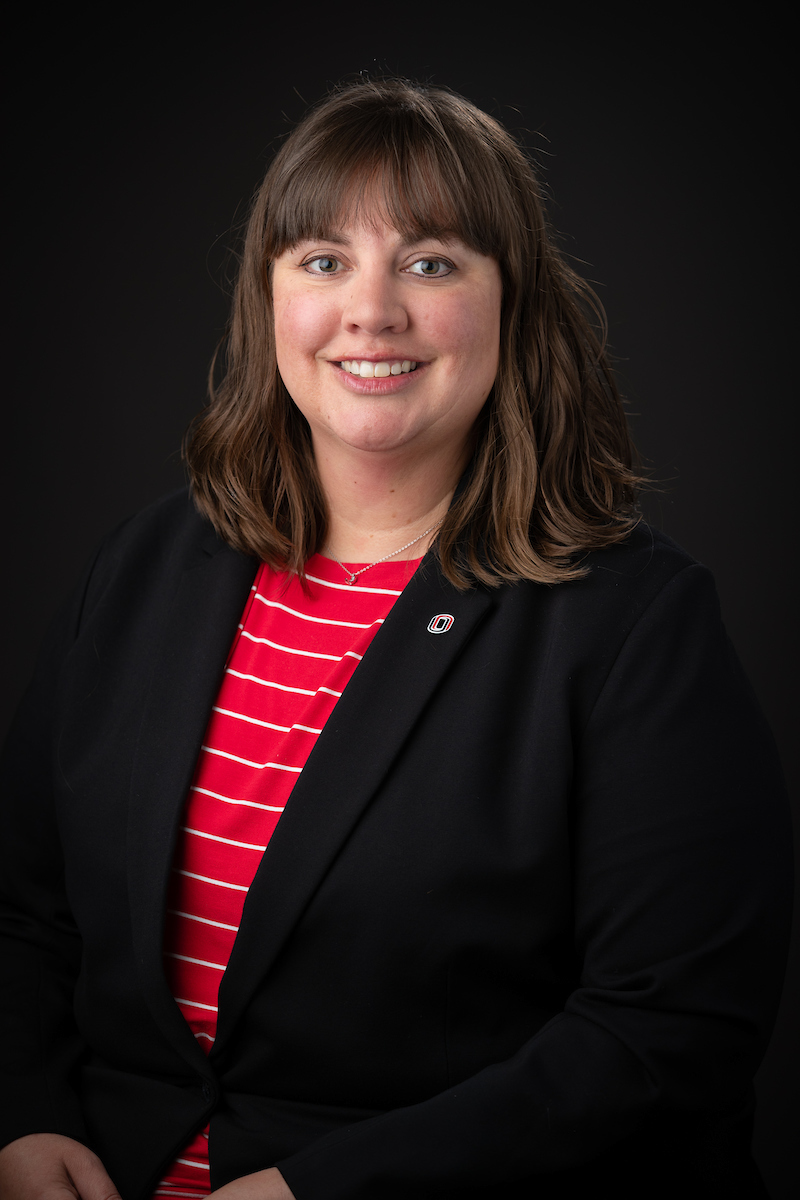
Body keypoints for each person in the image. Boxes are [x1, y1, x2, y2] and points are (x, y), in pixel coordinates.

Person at [0, 77, 791, 1200]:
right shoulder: (142, 571)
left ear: (511, 302)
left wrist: (316, 1193)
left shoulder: (631, 623)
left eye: (429, 263)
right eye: (322, 261)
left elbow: (669, 1028)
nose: (370, 312)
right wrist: (19, 1118)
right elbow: (24, 910)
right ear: (267, 299)